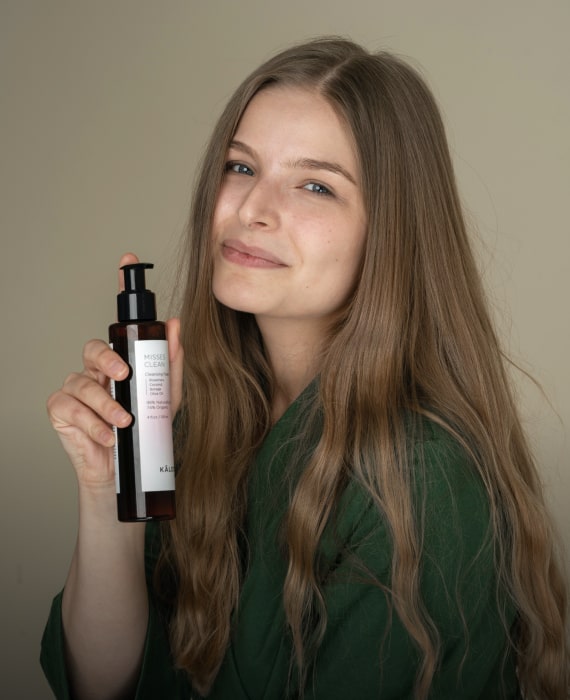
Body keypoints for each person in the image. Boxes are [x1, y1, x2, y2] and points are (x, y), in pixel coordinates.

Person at [41, 36, 568, 699]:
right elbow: (103, 685)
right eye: (240, 167)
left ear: (390, 232)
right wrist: (108, 491)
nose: (251, 210)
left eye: (316, 185)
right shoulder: (197, 420)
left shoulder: (420, 480)